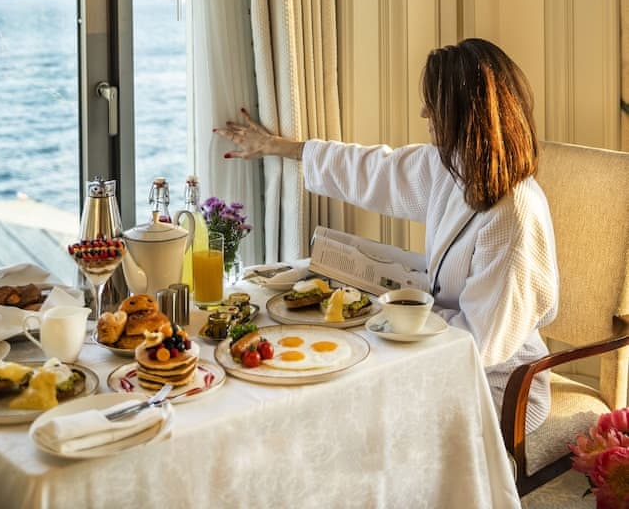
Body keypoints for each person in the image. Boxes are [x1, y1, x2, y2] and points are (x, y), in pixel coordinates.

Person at [215, 37, 559, 433]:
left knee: (347, 410)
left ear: (466, 112)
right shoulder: (454, 167)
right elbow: (372, 169)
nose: (423, 111)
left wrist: (384, 312)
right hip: (438, 354)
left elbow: (482, 342)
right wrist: (278, 147)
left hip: (496, 386)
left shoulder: (514, 215)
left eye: (434, 102)